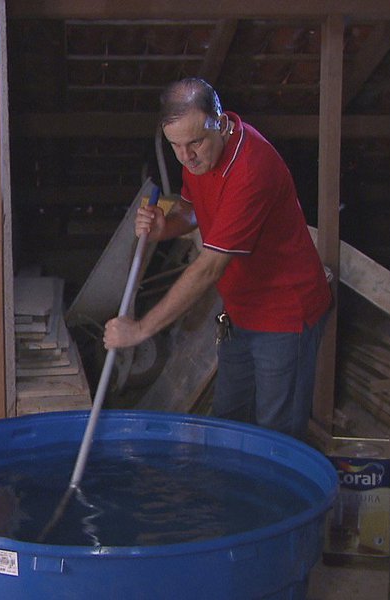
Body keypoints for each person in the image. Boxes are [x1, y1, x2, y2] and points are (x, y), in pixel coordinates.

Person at [103, 78, 331, 439]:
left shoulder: (251, 169)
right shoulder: (194, 154)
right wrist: (167, 227)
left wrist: (141, 330)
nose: (186, 156)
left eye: (194, 142)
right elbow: (194, 211)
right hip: (240, 312)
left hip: (285, 314)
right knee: (228, 419)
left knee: (277, 433)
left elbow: (209, 268)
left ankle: (271, 495)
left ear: (220, 122)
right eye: (175, 145)